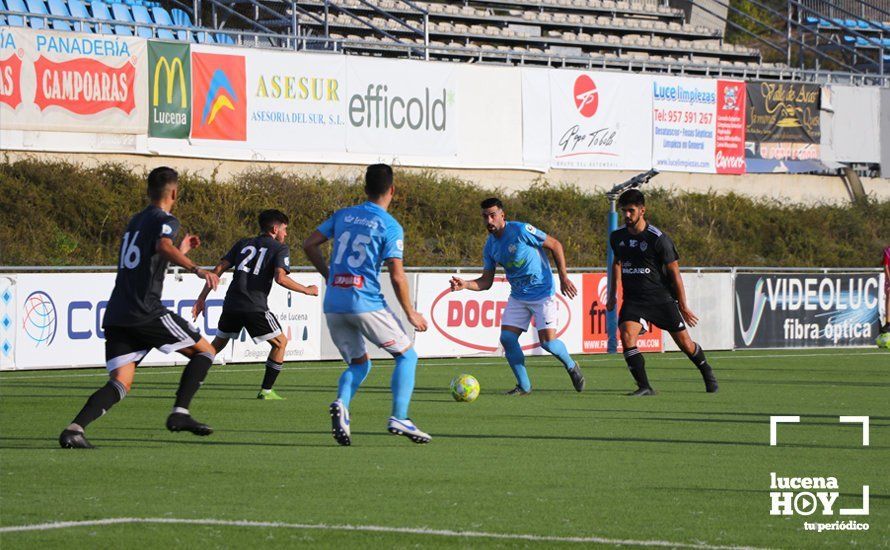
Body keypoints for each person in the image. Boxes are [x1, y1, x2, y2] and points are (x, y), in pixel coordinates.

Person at [59, 167, 221, 449]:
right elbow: (161, 245)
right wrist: (195, 268)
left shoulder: (135, 221)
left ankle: (74, 430)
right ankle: (180, 413)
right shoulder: (166, 219)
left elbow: (150, 256)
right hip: (145, 309)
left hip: (118, 312)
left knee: (121, 382)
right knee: (205, 351)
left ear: (148, 191)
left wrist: (181, 250)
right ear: (174, 192)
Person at [302, 164, 430, 446]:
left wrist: (329, 275)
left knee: (360, 364)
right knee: (407, 357)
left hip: (334, 303)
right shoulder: (390, 225)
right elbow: (397, 275)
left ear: (365, 189)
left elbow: (309, 244)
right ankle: (399, 416)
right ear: (392, 190)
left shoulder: (343, 214)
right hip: (365, 302)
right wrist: (410, 312)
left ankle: (342, 404)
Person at [449, 197, 584, 395]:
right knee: (507, 338)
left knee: (548, 343)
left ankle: (572, 366)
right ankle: (524, 386)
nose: (489, 221)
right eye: (485, 217)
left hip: (542, 293)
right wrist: (466, 284)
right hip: (519, 296)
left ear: (502, 215)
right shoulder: (490, 246)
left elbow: (556, 245)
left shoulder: (521, 231)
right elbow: (486, 281)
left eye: (493, 215)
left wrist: (564, 277)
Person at [191, 209, 319, 399]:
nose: (286, 233)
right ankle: (266, 390)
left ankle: (192, 380)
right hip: (254, 306)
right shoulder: (279, 248)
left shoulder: (243, 243)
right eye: (284, 229)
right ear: (275, 229)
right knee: (280, 343)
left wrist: (202, 297)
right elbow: (280, 278)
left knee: (215, 346)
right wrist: (307, 290)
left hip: (232, 304)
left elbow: (218, 269)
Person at [606, 189, 718, 396]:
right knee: (627, 335)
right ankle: (644, 386)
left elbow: (675, 274)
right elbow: (617, 263)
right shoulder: (617, 237)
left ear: (642, 210)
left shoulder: (658, 239)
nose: (627, 216)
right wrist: (612, 294)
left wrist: (683, 306)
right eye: (624, 212)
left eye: (631, 211)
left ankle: (706, 370)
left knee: (685, 344)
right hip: (634, 300)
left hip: (660, 299)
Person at [882, 245, 890, 334]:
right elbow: (886, 266)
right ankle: (888, 323)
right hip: (889, 278)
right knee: (889, 294)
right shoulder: (888, 250)